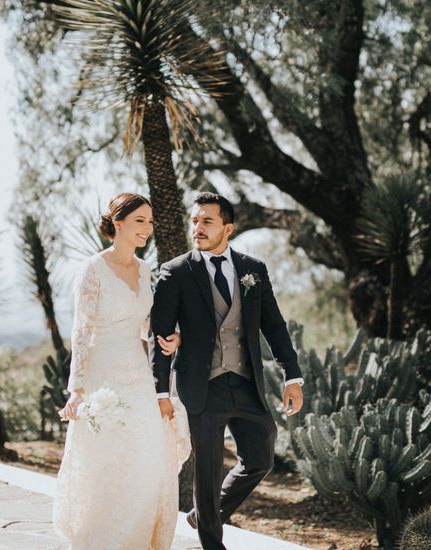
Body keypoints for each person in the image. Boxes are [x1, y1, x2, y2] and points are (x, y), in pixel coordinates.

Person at [149, 192, 304, 550]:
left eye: (207, 221)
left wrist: (292, 376)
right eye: (194, 220)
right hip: (202, 386)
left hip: (246, 383)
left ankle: (204, 513)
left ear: (227, 228)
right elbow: (159, 334)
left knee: (260, 458)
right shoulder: (176, 272)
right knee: (206, 472)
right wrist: (161, 392)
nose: (198, 228)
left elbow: (275, 326)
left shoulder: (253, 269)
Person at [52, 192, 188, 550]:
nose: (148, 228)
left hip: (138, 372)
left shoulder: (145, 270)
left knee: (146, 455)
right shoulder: (92, 270)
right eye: (140, 220)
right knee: (107, 460)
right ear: (119, 223)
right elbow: (82, 331)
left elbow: (143, 323)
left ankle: (139, 538)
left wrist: (167, 338)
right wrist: (76, 390)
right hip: (102, 376)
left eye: (150, 221)